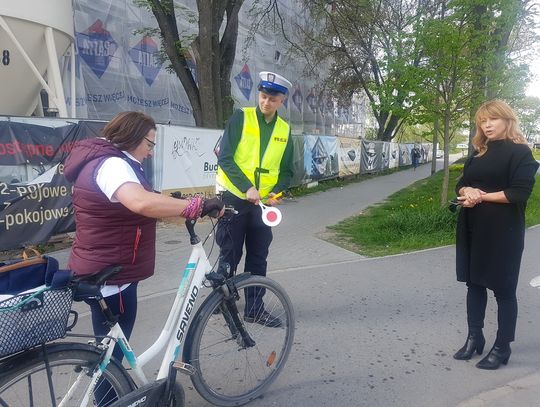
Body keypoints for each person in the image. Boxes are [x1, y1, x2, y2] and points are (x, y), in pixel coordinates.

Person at [63, 111, 224, 394]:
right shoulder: (112, 164)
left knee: (110, 352)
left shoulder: (108, 159)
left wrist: (175, 201)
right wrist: (196, 207)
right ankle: (110, 401)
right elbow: (139, 202)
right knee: (110, 360)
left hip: (103, 265)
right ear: (133, 137)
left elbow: (139, 196)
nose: (150, 152)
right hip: (113, 275)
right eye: (150, 144)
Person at [453, 100, 539, 370]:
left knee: (503, 289)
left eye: (492, 119)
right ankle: (474, 336)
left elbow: (519, 192)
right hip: (472, 227)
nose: (486, 125)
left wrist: (480, 196)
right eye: (482, 121)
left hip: (504, 231)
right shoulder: (479, 153)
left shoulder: (521, 153)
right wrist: (467, 192)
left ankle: (502, 347)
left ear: (507, 120)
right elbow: (461, 183)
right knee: (474, 284)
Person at [215, 71, 294, 328]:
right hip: (235, 198)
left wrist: (277, 193)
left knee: (259, 256)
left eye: (272, 98)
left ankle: (254, 309)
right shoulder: (242, 117)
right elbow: (225, 158)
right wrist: (247, 187)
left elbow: (287, 171)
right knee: (230, 252)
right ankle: (222, 302)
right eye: (262, 96)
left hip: (263, 205)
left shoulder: (284, 129)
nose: (266, 102)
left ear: (281, 100)